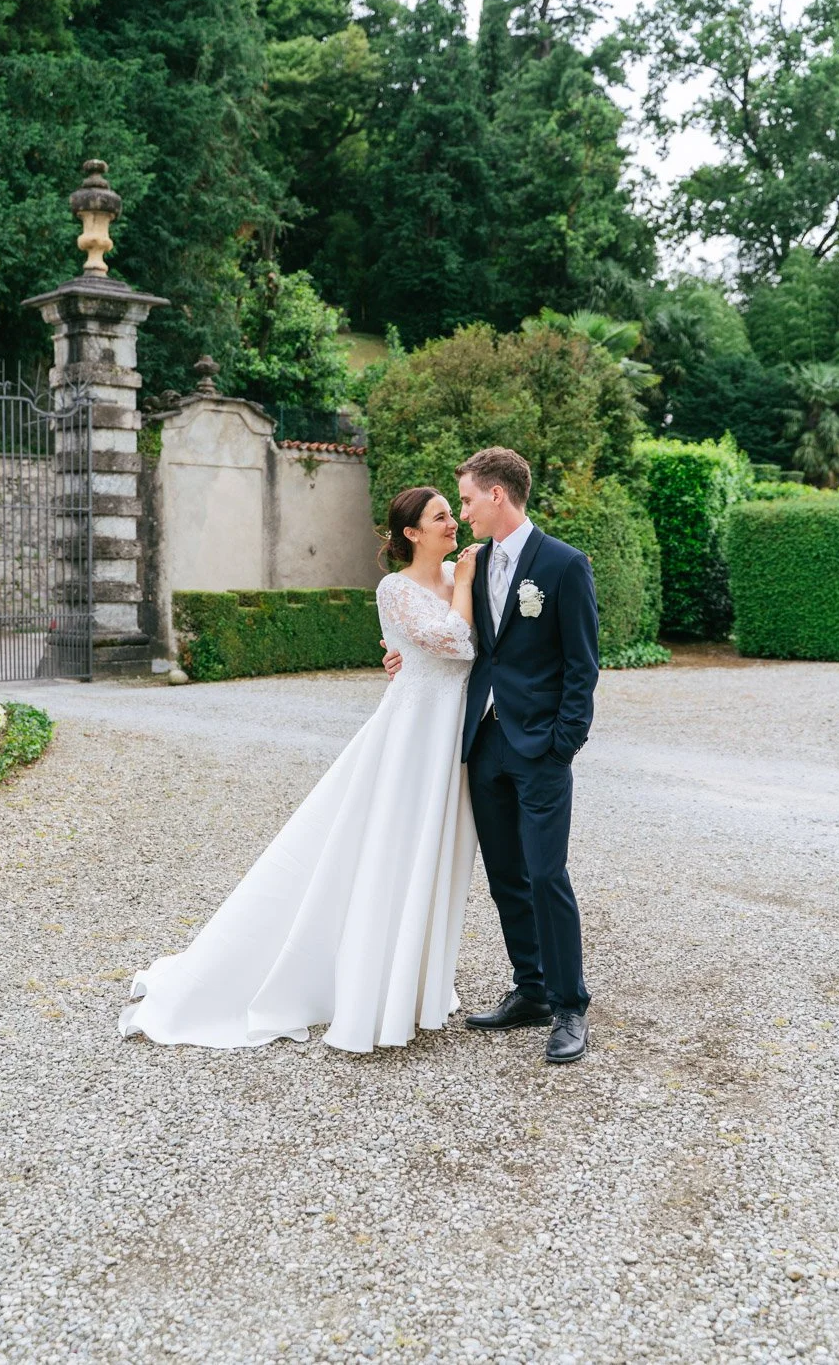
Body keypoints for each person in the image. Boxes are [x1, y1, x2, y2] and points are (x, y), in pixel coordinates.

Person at [119, 486, 481, 1054]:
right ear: (412, 533)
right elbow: (457, 642)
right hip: (411, 737)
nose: (452, 523)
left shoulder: (466, 575)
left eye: (451, 515)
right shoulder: (398, 586)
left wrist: (455, 595)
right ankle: (354, 981)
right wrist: (460, 589)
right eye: (441, 517)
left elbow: (485, 644)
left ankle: (412, 980)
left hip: (451, 732)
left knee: (434, 853)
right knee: (385, 847)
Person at [382, 447, 599, 1063]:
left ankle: (568, 1005)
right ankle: (528, 988)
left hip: (540, 749)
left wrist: (564, 744)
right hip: (482, 740)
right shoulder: (469, 567)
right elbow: (451, 638)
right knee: (505, 875)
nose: (463, 513)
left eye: (468, 500)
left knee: (546, 875)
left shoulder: (562, 565)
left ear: (496, 496)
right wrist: (396, 653)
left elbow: (583, 666)